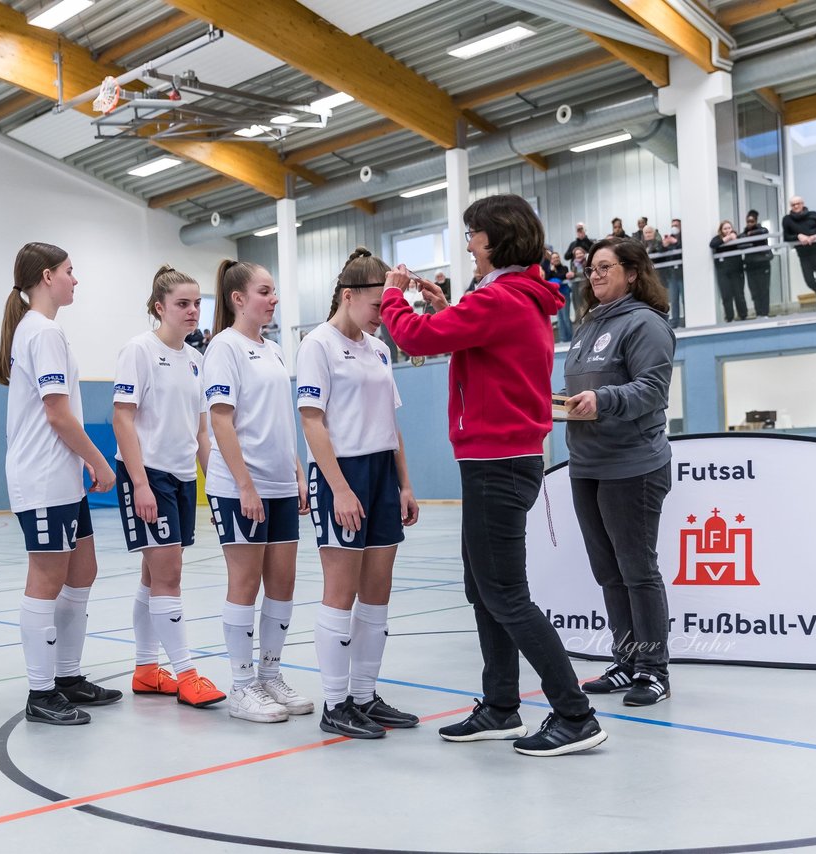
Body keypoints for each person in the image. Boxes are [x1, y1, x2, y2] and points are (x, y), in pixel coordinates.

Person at [381, 193, 607, 758]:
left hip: (497, 462)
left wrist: (393, 295)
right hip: (497, 460)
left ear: (496, 239)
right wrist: (443, 304)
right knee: (483, 587)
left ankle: (574, 713)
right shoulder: (511, 296)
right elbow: (467, 335)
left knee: (505, 592)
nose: (467, 247)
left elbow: (415, 338)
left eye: (472, 237)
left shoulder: (504, 299)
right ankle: (501, 704)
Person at [0, 243, 123, 727]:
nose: (76, 279)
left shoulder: (46, 331)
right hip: (43, 477)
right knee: (47, 579)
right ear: (47, 276)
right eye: (71, 271)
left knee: (83, 570)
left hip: (63, 476)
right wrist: (99, 461)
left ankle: (67, 676)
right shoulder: (41, 331)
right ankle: (41, 690)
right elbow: (57, 413)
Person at [298, 248, 421, 739]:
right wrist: (340, 489)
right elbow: (312, 421)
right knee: (341, 589)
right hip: (340, 473)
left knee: (377, 592)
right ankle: (335, 703)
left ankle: (365, 694)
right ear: (348, 297)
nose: (383, 315)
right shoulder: (317, 345)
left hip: (380, 473)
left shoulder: (380, 349)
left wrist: (405, 483)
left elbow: (391, 424)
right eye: (377, 305)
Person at [562, 239, 676, 706]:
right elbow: (586, 387)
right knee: (608, 572)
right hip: (586, 463)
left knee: (637, 571)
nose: (595, 274)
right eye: (591, 269)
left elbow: (652, 389)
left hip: (633, 465)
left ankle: (653, 669)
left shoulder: (645, 323)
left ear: (632, 273)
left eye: (605, 267)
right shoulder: (588, 325)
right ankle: (627, 661)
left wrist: (604, 400)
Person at [203, 260, 312, 724]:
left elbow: (279, 418)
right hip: (238, 487)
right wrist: (244, 484)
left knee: (283, 584)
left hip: (279, 483)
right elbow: (220, 420)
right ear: (238, 299)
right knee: (245, 584)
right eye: (265, 291)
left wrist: (296, 470)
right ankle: (243, 685)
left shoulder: (274, 350)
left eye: (274, 292)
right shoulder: (223, 348)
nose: (274, 299)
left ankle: (270, 675)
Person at [113, 265, 225, 711]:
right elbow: (123, 418)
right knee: (170, 576)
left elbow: (202, 433)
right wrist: (139, 484)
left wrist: (215, 486)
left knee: (153, 575)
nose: (193, 311)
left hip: (180, 479)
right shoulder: (138, 351)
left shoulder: (197, 360)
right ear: (160, 307)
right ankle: (186, 674)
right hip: (148, 475)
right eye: (182, 303)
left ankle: (145, 670)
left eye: (197, 303)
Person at [782, 197, 816, 311]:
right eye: (793, 205)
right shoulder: (787, 219)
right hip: (804, 254)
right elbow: (786, 237)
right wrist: (798, 236)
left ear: (802, 204)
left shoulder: (813, 214)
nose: (796, 206)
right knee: (810, 282)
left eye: (798, 204)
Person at [710, 220, 748, 322]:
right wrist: (726, 239)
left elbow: (744, 243)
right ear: (721, 230)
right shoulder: (718, 238)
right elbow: (712, 244)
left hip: (737, 270)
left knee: (739, 294)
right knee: (726, 295)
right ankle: (729, 317)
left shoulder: (737, 237)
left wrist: (734, 239)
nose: (727, 230)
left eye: (729, 228)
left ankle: (743, 315)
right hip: (723, 272)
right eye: (725, 228)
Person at [742, 210, 774, 318]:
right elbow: (741, 242)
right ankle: (758, 313)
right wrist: (749, 238)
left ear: (756, 221)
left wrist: (750, 236)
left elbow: (764, 233)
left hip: (762, 265)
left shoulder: (762, 230)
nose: (749, 223)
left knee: (764, 290)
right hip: (750, 266)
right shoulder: (744, 233)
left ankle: (765, 313)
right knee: (754, 291)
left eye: (752, 221)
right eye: (748, 221)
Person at [659, 218, 684, 327]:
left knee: (684, 299)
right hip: (672, 274)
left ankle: (688, 320)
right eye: (673, 225)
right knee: (673, 300)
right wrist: (664, 245)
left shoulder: (684, 237)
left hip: (683, 274)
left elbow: (685, 249)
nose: (674, 227)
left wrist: (676, 242)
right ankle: (674, 322)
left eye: (676, 225)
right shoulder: (670, 238)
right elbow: (660, 250)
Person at [549, 251, 573, 343]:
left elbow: (563, 275)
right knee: (560, 318)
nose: (556, 259)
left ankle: (571, 338)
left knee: (566, 317)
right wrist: (552, 272)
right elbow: (546, 278)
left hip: (564, 294)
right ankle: (563, 339)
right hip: (555, 296)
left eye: (557, 257)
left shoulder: (564, 268)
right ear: (551, 260)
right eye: (554, 258)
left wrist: (554, 277)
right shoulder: (549, 270)